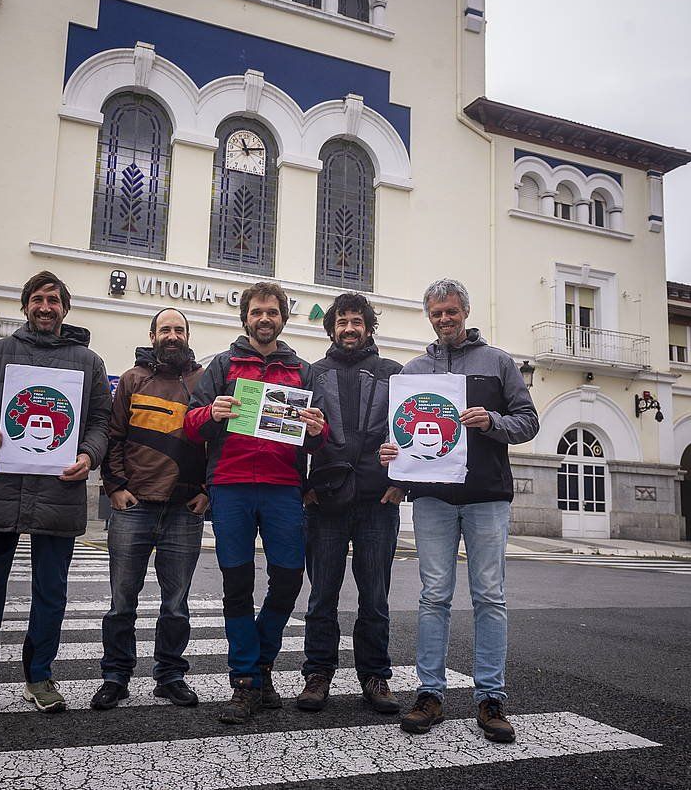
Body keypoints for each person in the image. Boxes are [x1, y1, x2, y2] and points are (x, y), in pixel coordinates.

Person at [0, 270, 111, 719]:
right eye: (37, 299)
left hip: (59, 490)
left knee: (51, 592)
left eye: (53, 300)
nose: (45, 307)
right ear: (25, 306)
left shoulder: (88, 362)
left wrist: (90, 456)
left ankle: (39, 675)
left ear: (65, 308)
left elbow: (100, 422)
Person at [380, 278, 538, 742]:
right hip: (432, 499)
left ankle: (491, 699)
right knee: (434, 596)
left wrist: (492, 422)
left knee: (490, 596)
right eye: (435, 313)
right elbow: (403, 432)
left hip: (487, 495)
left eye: (450, 311)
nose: (443, 319)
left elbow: (528, 422)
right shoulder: (415, 369)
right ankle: (430, 693)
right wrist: (394, 455)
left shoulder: (499, 363)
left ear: (465, 312)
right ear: (428, 316)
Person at [184, 281, 328, 724]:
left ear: (283, 318)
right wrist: (211, 414)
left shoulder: (304, 371)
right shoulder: (222, 366)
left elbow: (320, 439)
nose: (264, 319)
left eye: (273, 312)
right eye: (257, 312)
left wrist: (317, 429)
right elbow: (190, 425)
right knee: (237, 587)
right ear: (245, 317)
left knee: (288, 579)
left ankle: (262, 663)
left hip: (284, 487)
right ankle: (246, 681)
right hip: (230, 487)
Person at [92, 308, 208, 710]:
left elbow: (217, 440)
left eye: (179, 329)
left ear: (188, 335)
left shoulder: (203, 382)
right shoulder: (131, 379)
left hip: (183, 510)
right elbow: (113, 436)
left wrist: (207, 491)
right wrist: (115, 488)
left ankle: (170, 676)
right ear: (153, 335)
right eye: (165, 329)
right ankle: (115, 677)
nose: (172, 336)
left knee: (176, 603)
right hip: (134, 506)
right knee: (122, 601)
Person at [296, 293, 405, 714]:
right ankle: (317, 674)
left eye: (357, 321)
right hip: (325, 498)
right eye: (341, 322)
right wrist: (301, 485)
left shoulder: (393, 373)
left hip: (379, 499)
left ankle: (375, 676)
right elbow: (295, 436)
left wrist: (402, 485)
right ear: (331, 328)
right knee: (322, 594)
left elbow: (409, 432)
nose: (349, 329)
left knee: (374, 596)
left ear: (368, 326)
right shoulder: (312, 374)